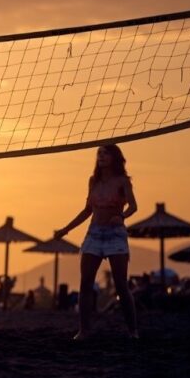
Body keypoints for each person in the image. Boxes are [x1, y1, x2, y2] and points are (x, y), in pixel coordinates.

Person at [54, 144, 139, 339]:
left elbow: (134, 206)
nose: (101, 156)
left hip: (115, 233)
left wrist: (122, 216)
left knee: (120, 284)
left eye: (105, 153)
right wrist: (65, 230)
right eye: (98, 153)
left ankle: (133, 331)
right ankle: (84, 330)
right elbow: (87, 210)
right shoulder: (93, 181)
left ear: (114, 158)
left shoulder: (123, 181)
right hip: (94, 233)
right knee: (85, 283)